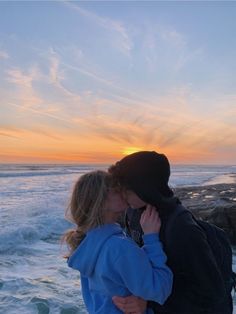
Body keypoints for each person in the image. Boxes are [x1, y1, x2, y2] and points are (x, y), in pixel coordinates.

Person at [109, 151, 232, 314]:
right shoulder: (133, 212)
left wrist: (150, 304)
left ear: (143, 187)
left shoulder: (181, 227)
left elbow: (211, 293)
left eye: (126, 189)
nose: (122, 195)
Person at [63, 170, 173, 314]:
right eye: (116, 190)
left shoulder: (87, 244)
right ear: (100, 202)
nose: (124, 192)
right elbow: (159, 289)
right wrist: (151, 239)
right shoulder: (119, 247)